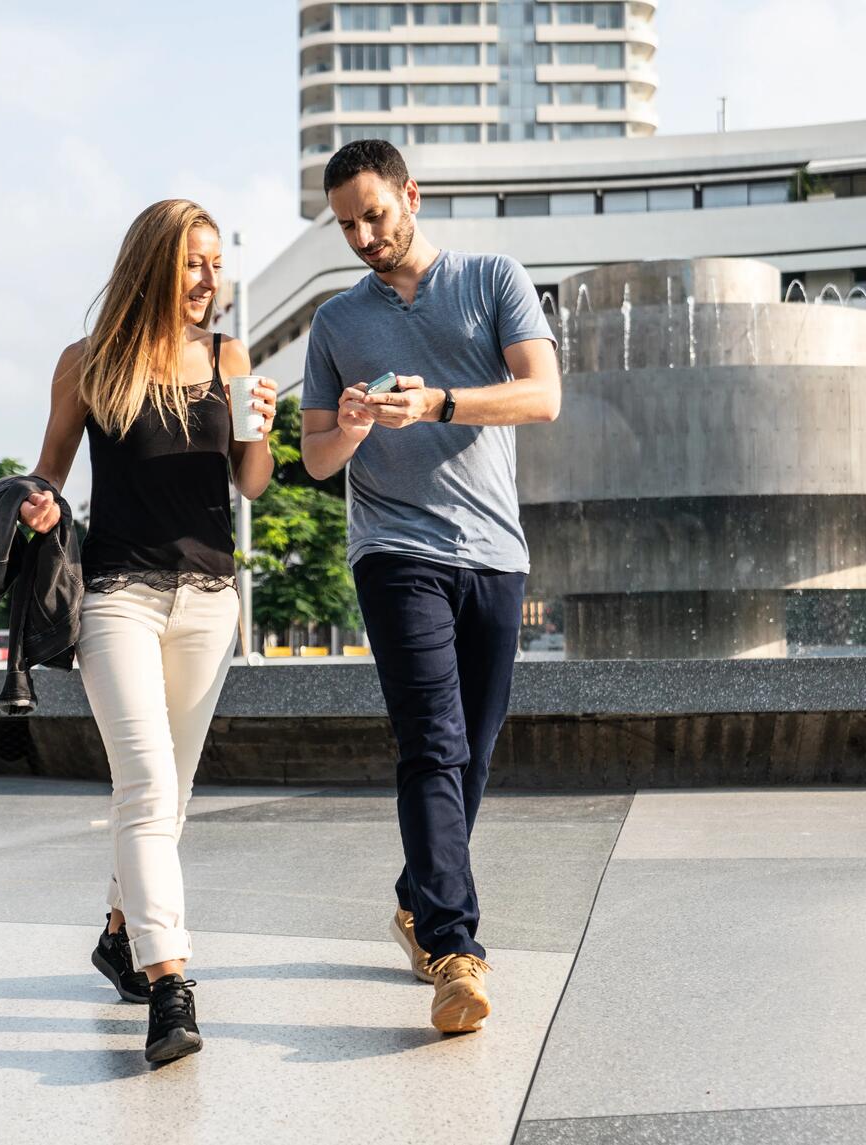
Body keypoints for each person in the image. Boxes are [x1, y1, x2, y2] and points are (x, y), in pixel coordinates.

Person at [300, 140, 561, 1035]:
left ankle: (418, 896)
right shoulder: (336, 324)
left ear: (411, 195)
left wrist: (440, 402)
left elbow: (542, 394)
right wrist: (355, 425)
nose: (363, 235)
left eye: (374, 214)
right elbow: (315, 456)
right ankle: (456, 950)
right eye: (346, 225)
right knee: (432, 741)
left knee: (474, 751)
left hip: (494, 552)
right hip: (393, 550)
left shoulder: (494, 278)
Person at [20, 199, 276, 1065]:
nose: (209, 280)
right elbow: (49, 472)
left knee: (171, 796)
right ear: (153, 266)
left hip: (210, 598)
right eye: (192, 263)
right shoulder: (88, 362)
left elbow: (253, 483)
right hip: (118, 597)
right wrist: (36, 500)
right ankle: (170, 985)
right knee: (145, 785)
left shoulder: (230, 357)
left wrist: (261, 427)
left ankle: (119, 932)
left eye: (215, 262)